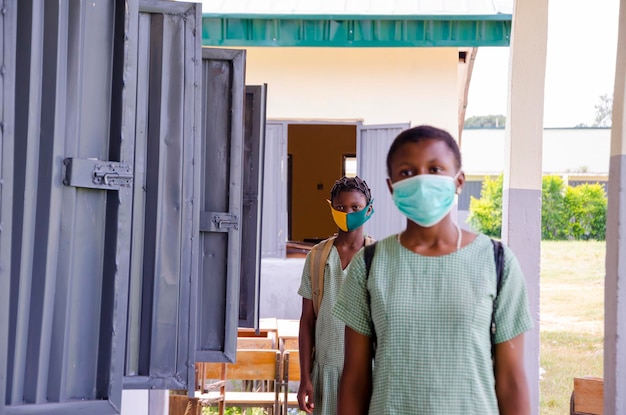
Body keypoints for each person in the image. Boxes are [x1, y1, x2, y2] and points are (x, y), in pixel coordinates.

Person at [333, 125, 533, 415]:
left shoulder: (497, 262)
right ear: (391, 187)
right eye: (407, 172)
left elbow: (511, 380)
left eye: (435, 169)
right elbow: (355, 380)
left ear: (459, 181)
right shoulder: (368, 265)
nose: (422, 181)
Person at [297, 176, 375, 414]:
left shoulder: (379, 258)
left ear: (369, 210)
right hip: (324, 374)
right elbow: (307, 321)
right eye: (340, 208)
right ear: (331, 207)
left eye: (355, 208)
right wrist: (304, 378)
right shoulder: (317, 257)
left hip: (367, 375)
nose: (347, 213)